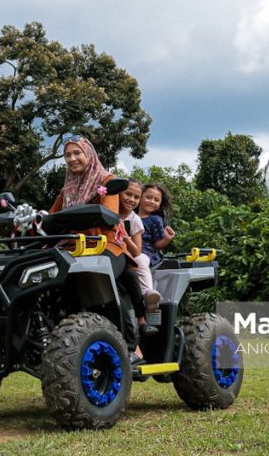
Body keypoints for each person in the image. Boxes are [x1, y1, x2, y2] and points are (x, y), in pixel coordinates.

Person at [48, 136, 158, 347]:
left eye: (77, 153)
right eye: (67, 155)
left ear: (88, 154)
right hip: (71, 247)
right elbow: (52, 216)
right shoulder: (66, 190)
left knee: (102, 280)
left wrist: (73, 216)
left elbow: (108, 213)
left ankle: (130, 343)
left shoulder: (107, 182)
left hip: (106, 245)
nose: (72, 159)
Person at [117, 179, 161, 312]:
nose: (131, 199)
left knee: (141, 260)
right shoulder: (110, 211)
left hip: (131, 253)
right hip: (112, 252)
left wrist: (125, 237)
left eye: (136, 197)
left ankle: (148, 293)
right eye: (128, 194)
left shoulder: (135, 220)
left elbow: (137, 250)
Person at [139, 183, 175, 267]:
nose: (152, 202)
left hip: (146, 254)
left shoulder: (155, 220)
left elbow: (158, 245)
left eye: (156, 200)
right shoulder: (131, 216)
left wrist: (167, 239)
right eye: (148, 197)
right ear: (140, 196)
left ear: (160, 204)